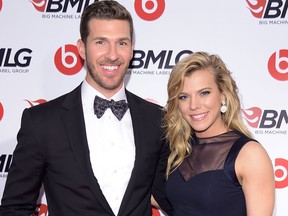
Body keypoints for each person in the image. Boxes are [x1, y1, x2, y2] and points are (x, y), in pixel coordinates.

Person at [0, 1, 172, 215]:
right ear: (81, 48)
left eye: (122, 43)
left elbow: (172, 198)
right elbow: (15, 207)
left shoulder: (156, 119)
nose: (112, 54)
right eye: (101, 42)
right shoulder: (42, 122)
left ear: (132, 50)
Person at [163, 51, 275, 216]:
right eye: (184, 97)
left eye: (204, 93)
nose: (194, 105)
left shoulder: (249, 154)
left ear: (223, 95)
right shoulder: (179, 150)